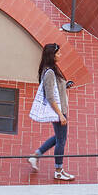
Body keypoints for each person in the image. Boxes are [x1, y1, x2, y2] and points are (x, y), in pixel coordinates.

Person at [27, 43, 74, 180]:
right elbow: (50, 96)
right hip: (58, 111)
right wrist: (60, 115)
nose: (60, 55)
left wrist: (65, 85)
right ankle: (58, 170)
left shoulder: (50, 69)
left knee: (59, 137)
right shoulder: (49, 73)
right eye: (58, 53)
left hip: (60, 110)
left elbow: (54, 88)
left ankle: (36, 156)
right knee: (61, 141)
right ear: (52, 56)